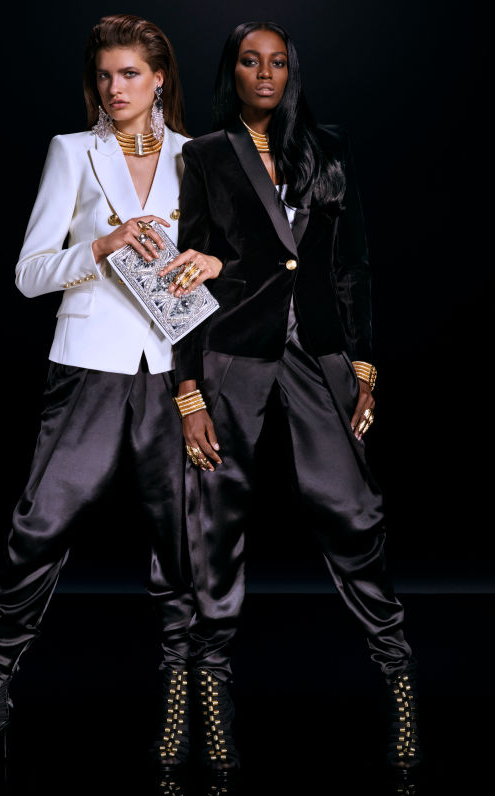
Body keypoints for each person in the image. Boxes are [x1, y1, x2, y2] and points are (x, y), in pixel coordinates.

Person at [0, 14, 222, 778]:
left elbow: (230, 262)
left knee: (182, 548)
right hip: (87, 367)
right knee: (37, 532)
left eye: (129, 73)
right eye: (104, 75)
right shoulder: (73, 151)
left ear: (159, 78)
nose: (114, 88)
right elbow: (28, 274)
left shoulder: (201, 156)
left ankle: (178, 712)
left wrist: (207, 269)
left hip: (173, 374)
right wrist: (98, 246)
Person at [160, 20, 422, 773]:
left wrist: (364, 364)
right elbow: (184, 275)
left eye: (277, 62)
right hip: (232, 353)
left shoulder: (326, 147)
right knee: (213, 522)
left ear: (291, 71)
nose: (265, 73)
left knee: (353, 512)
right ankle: (211, 708)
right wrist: (187, 389)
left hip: (320, 355)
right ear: (233, 72)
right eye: (251, 62)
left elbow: (353, 263)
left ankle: (401, 694)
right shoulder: (206, 155)